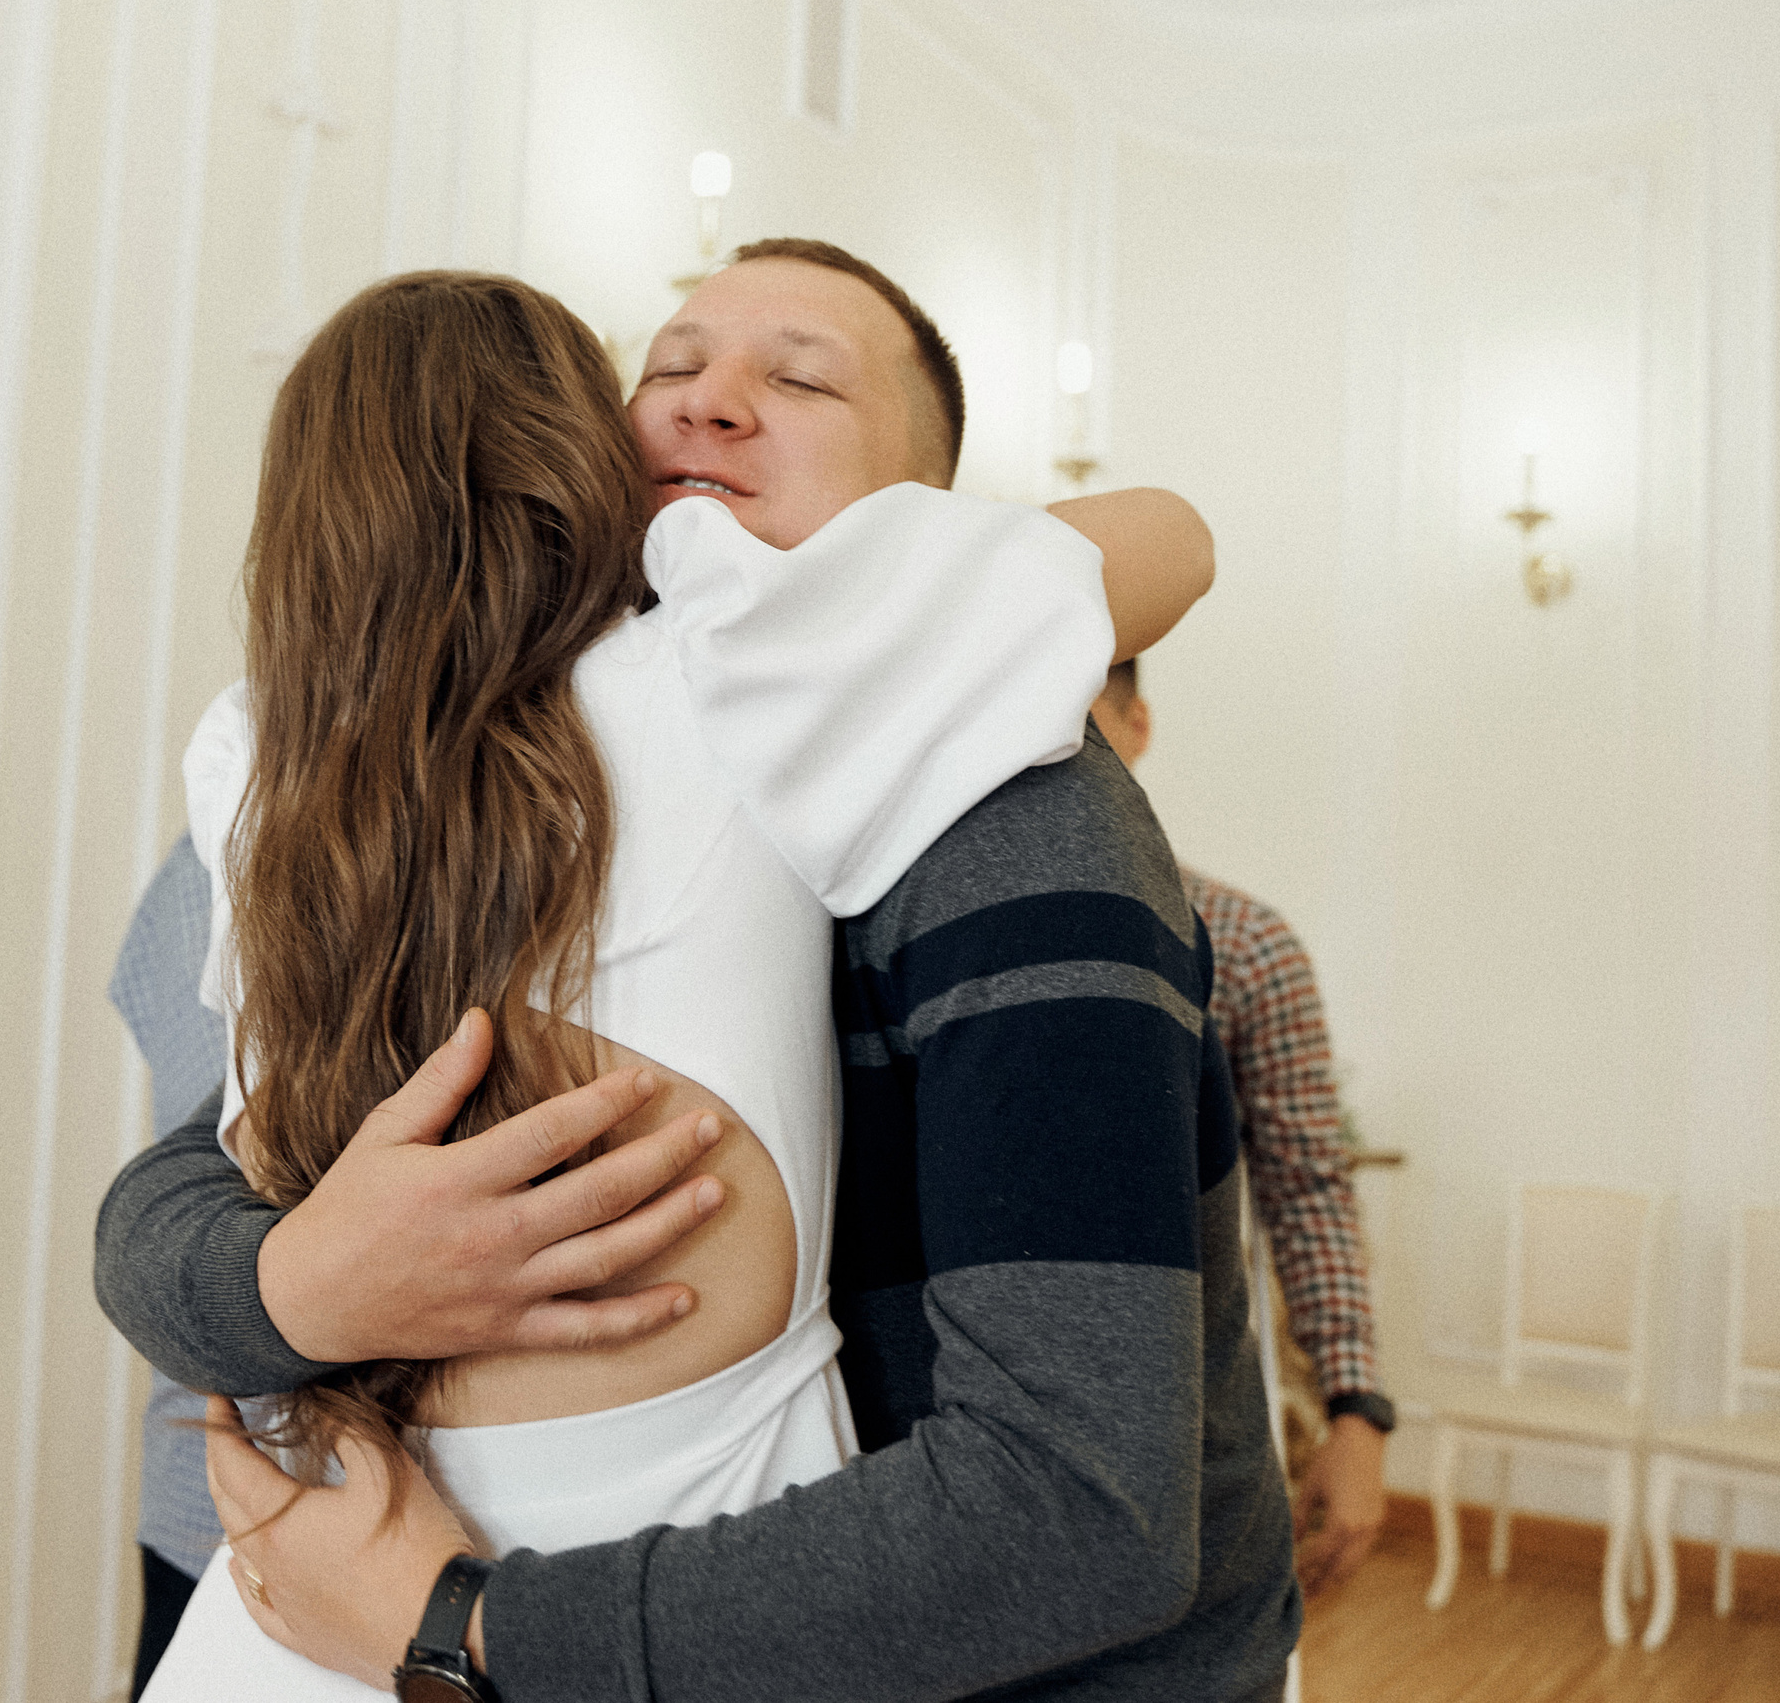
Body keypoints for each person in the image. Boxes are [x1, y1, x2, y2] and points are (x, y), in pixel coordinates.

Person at [100, 240, 1296, 1701]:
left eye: (797, 379)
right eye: (662, 369)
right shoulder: (403, 777)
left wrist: (455, 1626)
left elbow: (1080, 1512)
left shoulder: (1025, 818)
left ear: (933, 532)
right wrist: (302, 1278)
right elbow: (171, 1191)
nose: (705, 404)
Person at [1089, 658, 1394, 1594]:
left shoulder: (1247, 942)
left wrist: (1356, 1409)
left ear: (1136, 724)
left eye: (1084, 720)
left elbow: (1307, 1189)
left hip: (1194, 1417)